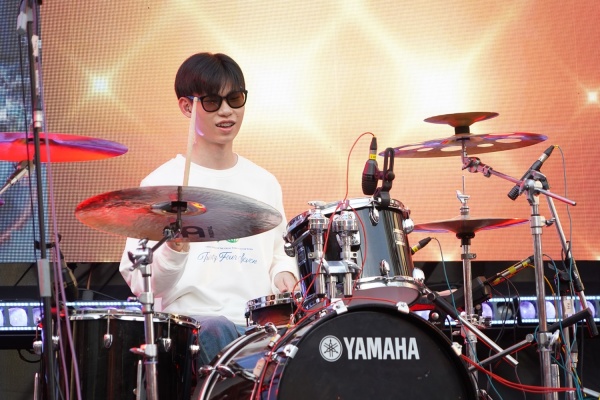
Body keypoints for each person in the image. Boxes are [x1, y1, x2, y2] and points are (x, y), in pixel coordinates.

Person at [119, 52, 299, 366]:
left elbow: (279, 255)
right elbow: (142, 283)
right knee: (217, 328)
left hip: (258, 328)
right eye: (213, 102)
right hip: (190, 330)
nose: (226, 111)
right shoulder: (160, 185)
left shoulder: (264, 182)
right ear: (187, 107)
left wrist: (284, 274)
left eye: (235, 99)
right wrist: (173, 251)